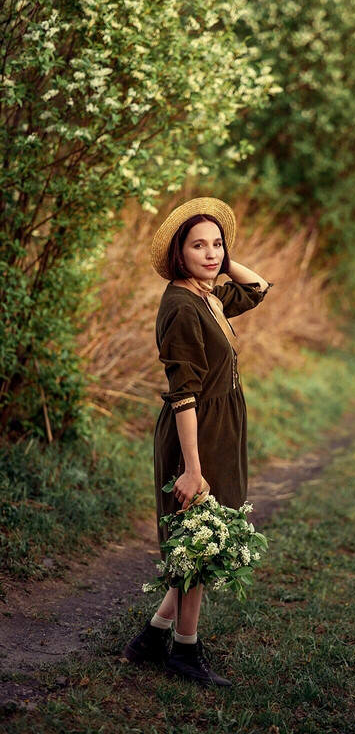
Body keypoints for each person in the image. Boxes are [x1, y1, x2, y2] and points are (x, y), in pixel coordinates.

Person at [123, 197, 271, 687]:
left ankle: (152, 637)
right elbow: (183, 394)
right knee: (196, 542)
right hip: (196, 434)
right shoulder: (182, 306)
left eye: (217, 244)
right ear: (178, 254)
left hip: (222, 428)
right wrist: (192, 468)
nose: (211, 253)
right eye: (198, 245)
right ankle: (185, 652)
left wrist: (223, 263)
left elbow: (257, 288)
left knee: (207, 538)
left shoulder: (207, 294)